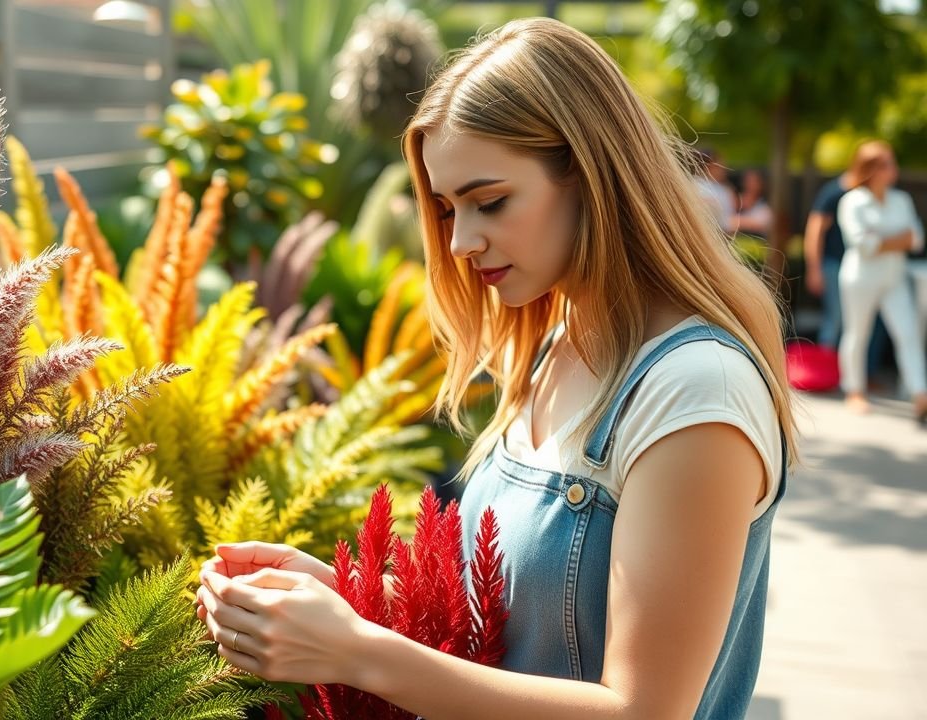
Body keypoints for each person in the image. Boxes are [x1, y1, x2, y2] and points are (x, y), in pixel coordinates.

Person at [195, 18, 798, 720]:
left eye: (490, 202)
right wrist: (344, 599)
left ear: (590, 172)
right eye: (449, 209)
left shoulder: (695, 392)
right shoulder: (556, 342)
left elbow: (643, 710)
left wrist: (357, 650)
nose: (460, 240)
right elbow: (513, 633)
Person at [835, 143, 927, 422]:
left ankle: (920, 393)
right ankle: (854, 389)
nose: (893, 169)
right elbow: (862, 245)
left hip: (893, 278)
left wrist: (884, 241)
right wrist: (898, 240)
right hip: (860, 279)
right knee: (857, 333)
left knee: (908, 333)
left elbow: (917, 239)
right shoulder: (852, 201)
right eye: (887, 164)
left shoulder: (901, 200)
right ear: (871, 169)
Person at [804, 141, 891, 367]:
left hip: (868, 269)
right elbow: (815, 231)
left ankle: (862, 375)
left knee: (869, 324)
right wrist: (814, 269)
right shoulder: (835, 192)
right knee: (836, 319)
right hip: (835, 265)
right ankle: (824, 371)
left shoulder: (877, 194)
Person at [694, 148, 738, 235]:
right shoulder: (695, 186)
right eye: (719, 165)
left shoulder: (725, 189)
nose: (723, 168)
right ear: (709, 166)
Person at [734, 167, 773, 238]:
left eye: (754, 181)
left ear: (761, 185)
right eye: (748, 181)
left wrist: (735, 221)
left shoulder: (764, 209)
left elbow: (760, 224)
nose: (750, 184)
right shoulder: (734, 201)